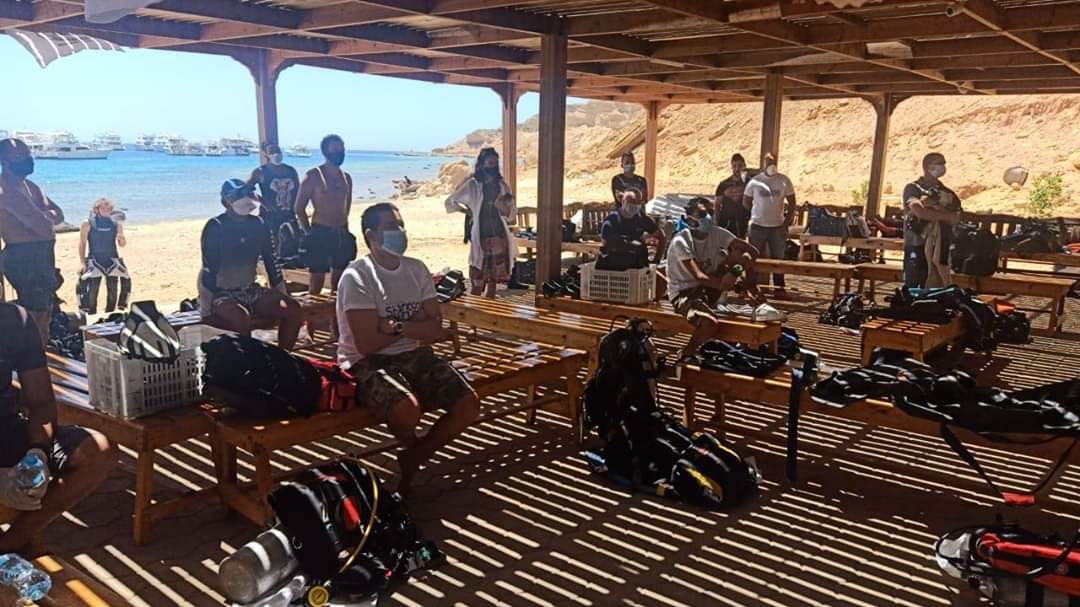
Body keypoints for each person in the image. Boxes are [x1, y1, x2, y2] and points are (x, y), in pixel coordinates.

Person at [337, 203, 481, 495]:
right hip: (365, 362)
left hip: (413, 355)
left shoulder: (416, 269)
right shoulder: (358, 277)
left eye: (401, 225)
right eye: (391, 226)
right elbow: (367, 344)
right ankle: (415, 452)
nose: (400, 232)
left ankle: (415, 456)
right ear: (371, 235)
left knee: (468, 404)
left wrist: (394, 326)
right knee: (406, 408)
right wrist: (415, 322)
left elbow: (435, 329)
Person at [0, 302, 115, 555]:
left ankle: (13, 541)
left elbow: (41, 402)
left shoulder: (14, 320)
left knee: (97, 451)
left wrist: (38, 452)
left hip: (6, 432)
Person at [198, 179, 302, 350]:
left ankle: (284, 356)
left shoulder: (259, 224)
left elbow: (272, 262)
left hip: (250, 289)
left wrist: (282, 295)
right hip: (220, 292)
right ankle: (247, 360)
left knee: (293, 309)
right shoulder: (216, 227)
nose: (244, 199)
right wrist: (206, 311)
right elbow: (208, 269)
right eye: (238, 196)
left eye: (248, 194)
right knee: (241, 318)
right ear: (225, 202)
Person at [667, 198, 761, 358]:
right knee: (709, 323)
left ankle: (754, 296)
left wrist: (736, 272)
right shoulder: (681, 241)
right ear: (690, 219)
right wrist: (728, 285)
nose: (709, 217)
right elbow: (699, 276)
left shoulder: (717, 233)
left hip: (707, 289)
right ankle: (686, 354)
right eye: (703, 214)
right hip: (684, 294)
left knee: (740, 255)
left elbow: (752, 251)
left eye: (710, 212)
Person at [0, 139, 65, 345]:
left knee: (45, 311)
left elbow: (58, 214)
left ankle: (41, 351)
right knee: (35, 315)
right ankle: (35, 356)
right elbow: (43, 226)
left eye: (28, 155)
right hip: (24, 257)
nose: (28, 160)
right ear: (5, 162)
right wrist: (43, 214)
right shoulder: (6, 191)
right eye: (21, 156)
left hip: (42, 255)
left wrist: (42, 215)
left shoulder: (29, 186)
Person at [445, 148, 516, 298]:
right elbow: (452, 200)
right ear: (482, 164)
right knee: (477, 274)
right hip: (480, 233)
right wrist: (467, 211)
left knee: (494, 276)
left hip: (498, 233)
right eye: (490, 163)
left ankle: (490, 304)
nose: (493, 166)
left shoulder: (501, 185)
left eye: (495, 163)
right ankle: (475, 307)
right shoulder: (474, 184)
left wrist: (500, 205)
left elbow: (509, 213)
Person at [296, 135, 356, 296]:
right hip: (320, 231)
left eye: (342, 149)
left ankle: (336, 311)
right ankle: (313, 311)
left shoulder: (346, 178)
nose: (340, 152)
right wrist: (308, 232)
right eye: (335, 149)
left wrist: (344, 226)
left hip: (341, 231)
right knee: (317, 279)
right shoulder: (314, 176)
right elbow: (299, 207)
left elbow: (347, 205)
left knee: (340, 279)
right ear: (325, 152)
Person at [902, 152, 962, 288]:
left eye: (944, 163)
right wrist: (944, 214)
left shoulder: (947, 193)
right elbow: (918, 210)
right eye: (939, 163)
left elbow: (956, 217)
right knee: (914, 287)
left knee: (939, 285)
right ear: (928, 166)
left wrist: (933, 207)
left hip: (941, 247)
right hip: (917, 244)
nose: (943, 166)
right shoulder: (913, 188)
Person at [743, 154, 797, 299]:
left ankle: (779, 289)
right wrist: (756, 213)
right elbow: (746, 201)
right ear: (763, 164)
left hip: (777, 226)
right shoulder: (755, 181)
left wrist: (786, 223)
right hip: (757, 226)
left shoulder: (784, 180)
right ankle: (751, 287)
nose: (771, 164)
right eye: (768, 162)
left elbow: (792, 202)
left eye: (773, 162)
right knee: (753, 257)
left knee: (778, 259)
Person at [77, 198, 131, 316]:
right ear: (97, 209)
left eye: (109, 209)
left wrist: (121, 237)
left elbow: (122, 245)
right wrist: (82, 262)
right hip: (95, 258)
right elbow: (82, 243)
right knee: (92, 290)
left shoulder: (116, 223)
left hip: (112, 258)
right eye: (104, 208)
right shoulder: (88, 223)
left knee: (113, 289)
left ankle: (111, 313)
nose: (107, 211)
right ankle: (91, 313)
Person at [247, 143, 300, 253]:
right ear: (266, 155)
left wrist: (297, 208)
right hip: (269, 216)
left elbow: (298, 191)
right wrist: (262, 201)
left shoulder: (290, 171)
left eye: (278, 150)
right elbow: (246, 190)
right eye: (271, 151)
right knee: (271, 248)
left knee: (291, 246)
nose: (276, 154)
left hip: (289, 214)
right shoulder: (260, 172)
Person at [599, 190, 666, 268]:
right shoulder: (612, 220)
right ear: (623, 201)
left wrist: (656, 260)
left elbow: (661, 236)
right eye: (631, 202)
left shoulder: (641, 218)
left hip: (639, 264)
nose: (634, 205)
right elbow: (605, 245)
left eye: (637, 202)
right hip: (616, 265)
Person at [714, 153, 754, 238]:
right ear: (731, 167)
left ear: (744, 166)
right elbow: (717, 205)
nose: (737, 169)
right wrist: (716, 223)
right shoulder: (723, 185)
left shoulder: (751, 183)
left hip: (744, 220)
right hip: (727, 221)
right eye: (734, 166)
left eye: (740, 166)